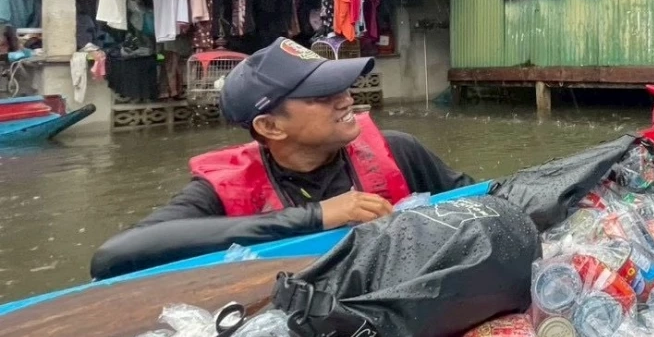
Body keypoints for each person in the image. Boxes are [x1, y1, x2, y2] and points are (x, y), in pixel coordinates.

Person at [89, 38, 474, 279]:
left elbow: (482, 208)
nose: (345, 98)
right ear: (271, 127)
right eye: (321, 94)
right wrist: (317, 216)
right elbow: (114, 256)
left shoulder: (399, 151)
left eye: (341, 85)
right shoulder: (220, 190)